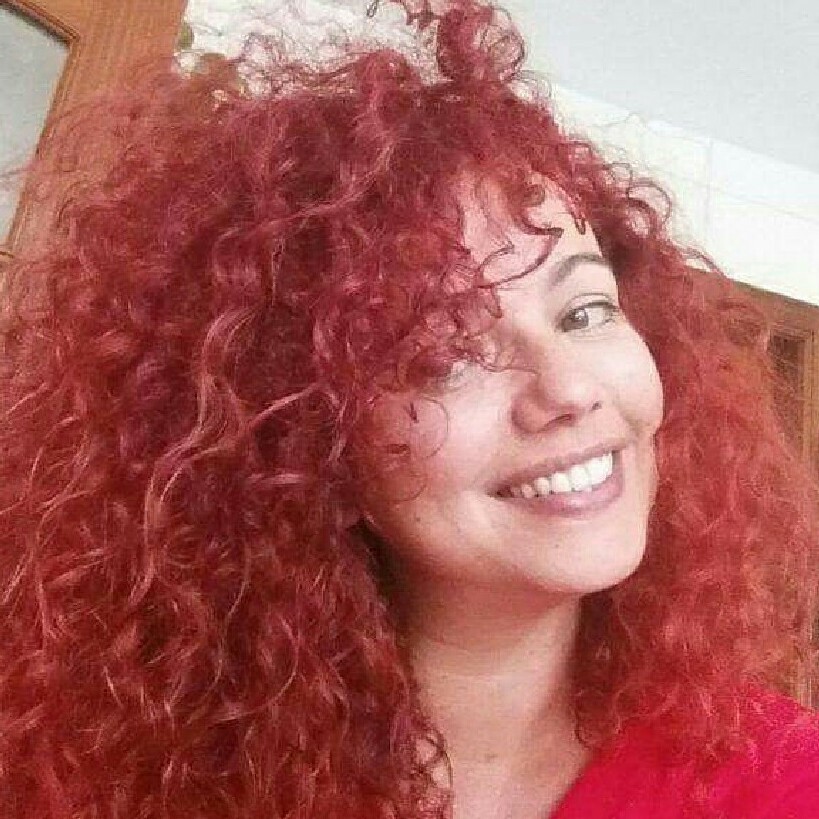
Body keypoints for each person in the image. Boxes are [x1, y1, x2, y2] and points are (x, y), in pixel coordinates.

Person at [0, 1, 817, 817]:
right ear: (302, 439)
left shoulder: (784, 779)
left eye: (584, 311)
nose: (569, 389)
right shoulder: (106, 780)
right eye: (443, 354)